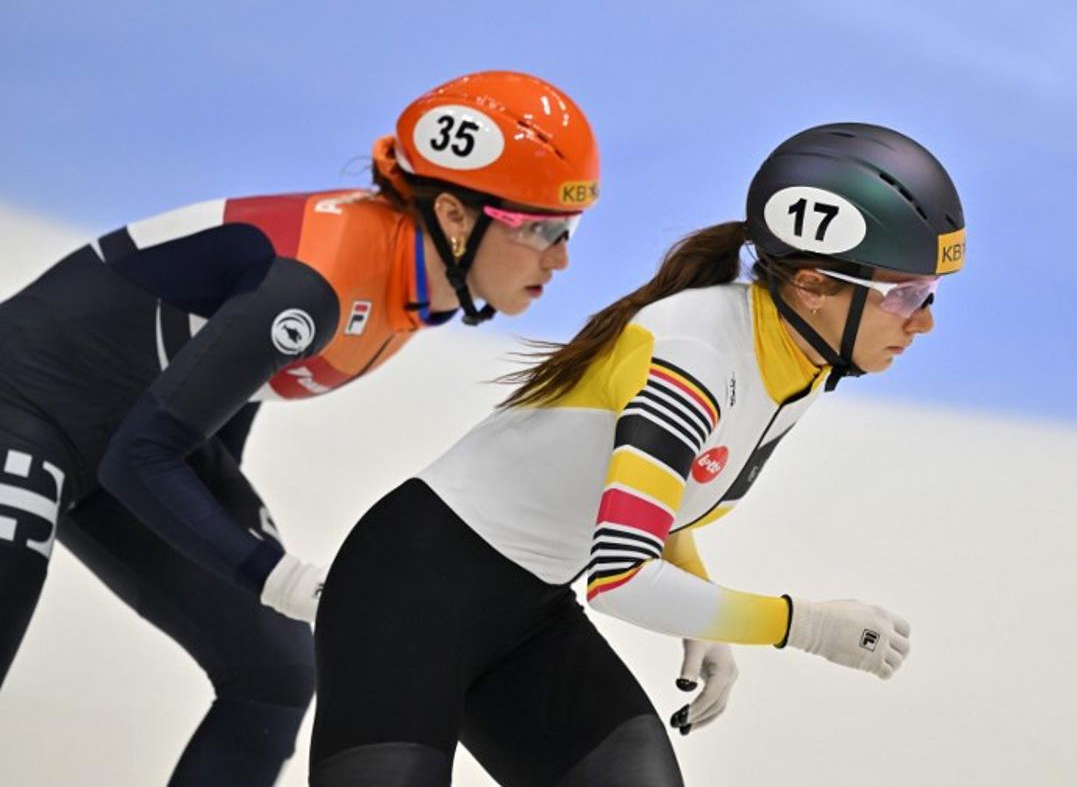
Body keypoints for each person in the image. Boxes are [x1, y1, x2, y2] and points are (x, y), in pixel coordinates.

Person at [309, 122, 967, 786]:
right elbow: (620, 578)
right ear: (811, 285)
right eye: (905, 295)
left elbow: (658, 494)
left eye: (930, 292)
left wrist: (701, 605)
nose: (925, 321)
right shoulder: (695, 354)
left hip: (529, 616)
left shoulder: (801, 356)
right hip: (405, 593)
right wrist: (803, 626)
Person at [0, 70, 599, 785]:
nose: (562, 258)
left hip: (130, 433)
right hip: (21, 407)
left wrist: (242, 547)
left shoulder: (415, 282)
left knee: (276, 672)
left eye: (570, 229)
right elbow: (144, 456)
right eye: (543, 228)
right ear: (455, 215)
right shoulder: (318, 280)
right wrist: (279, 577)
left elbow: (213, 390)